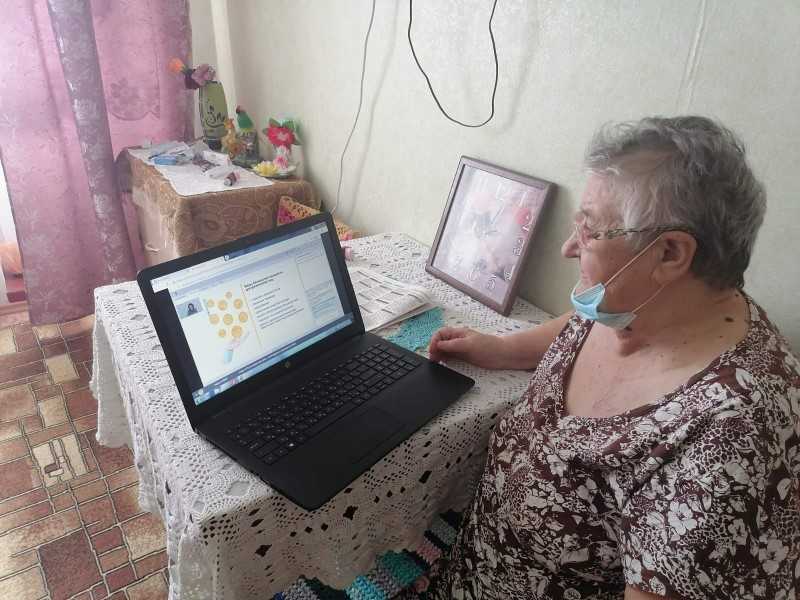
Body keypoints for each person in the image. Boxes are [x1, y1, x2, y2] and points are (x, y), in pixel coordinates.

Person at [426, 116, 799, 599]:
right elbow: (580, 322)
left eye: (591, 231)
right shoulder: (634, 303)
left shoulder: (734, 434)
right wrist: (504, 350)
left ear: (670, 254)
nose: (568, 247)